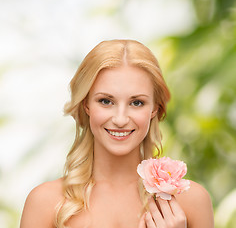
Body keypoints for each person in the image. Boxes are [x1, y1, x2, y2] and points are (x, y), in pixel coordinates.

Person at [20, 39, 214, 228]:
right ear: (86, 104)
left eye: (136, 102)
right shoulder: (44, 203)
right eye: (106, 101)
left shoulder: (192, 202)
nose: (120, 119)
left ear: (154, 108)